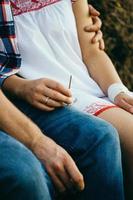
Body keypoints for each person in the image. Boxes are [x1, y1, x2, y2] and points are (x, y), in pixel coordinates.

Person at [0, 0, 125, 199]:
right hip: (48, 89)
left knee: (103, 134)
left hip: (87, 83)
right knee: (25, 172)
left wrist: (117, 90)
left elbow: (93, 52)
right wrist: (17, 86)